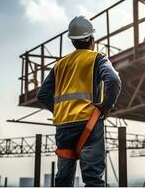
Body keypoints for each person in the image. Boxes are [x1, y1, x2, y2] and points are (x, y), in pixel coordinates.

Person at [37, 16, 121, 187]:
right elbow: (113, 80)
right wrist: (106, 107)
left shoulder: (60, 65)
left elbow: (43, 94)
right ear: (92, 39)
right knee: (93, 180)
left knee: (63, 180)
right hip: (89, 125)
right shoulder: (97, 58)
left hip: (64, 127)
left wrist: (61, 110)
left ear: (72, 41)